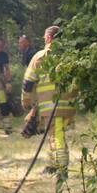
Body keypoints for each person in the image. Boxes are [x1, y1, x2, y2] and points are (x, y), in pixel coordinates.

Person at [21, 26, 76, 183]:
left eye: (45, 38)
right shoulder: (70, 57)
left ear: (50, 38)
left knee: (57, 137)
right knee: (54, 135)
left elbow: (28, 82)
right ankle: (52, 166)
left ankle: (63, 172)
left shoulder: (40, 57)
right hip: (68, 106)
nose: (44, 40)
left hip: (51, 106)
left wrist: (26, 102)